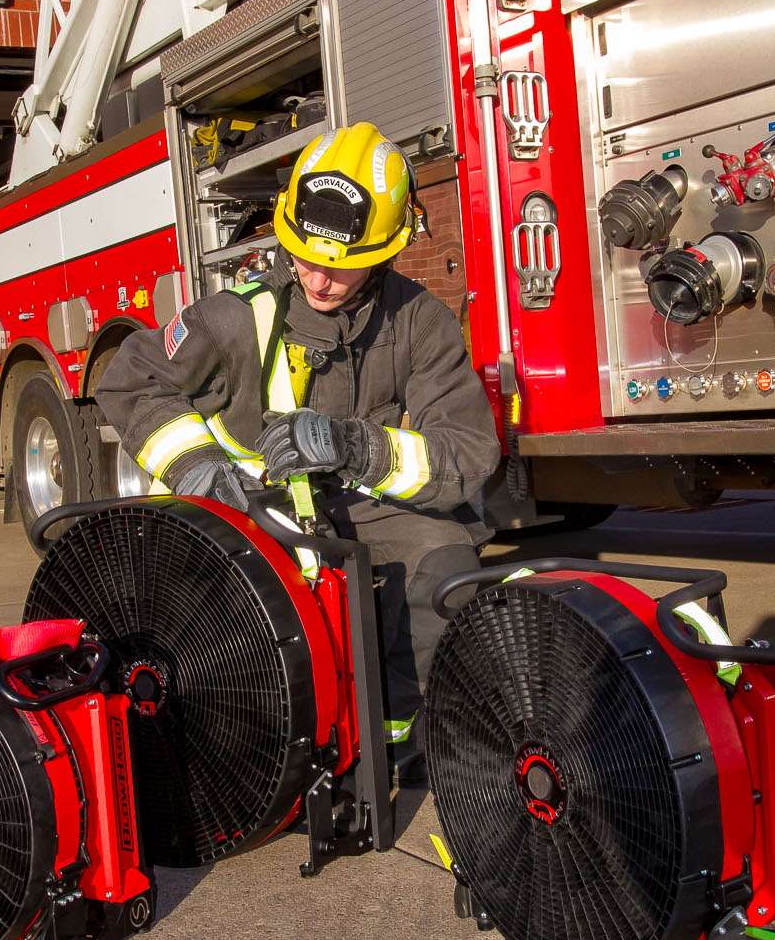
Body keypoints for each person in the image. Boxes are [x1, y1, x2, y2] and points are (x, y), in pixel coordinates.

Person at [97, 121, 501, 773]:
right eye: (304, 258)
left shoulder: (421, 323)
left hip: (370, 510)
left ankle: (398, 736)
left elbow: (465, 453)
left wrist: (354, 446)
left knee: (444, 569)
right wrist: (194, 464)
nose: (317, 279)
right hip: (256, 510)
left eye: (339, 266)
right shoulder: (237, 318)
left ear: (387, 250)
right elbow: (129, 377)